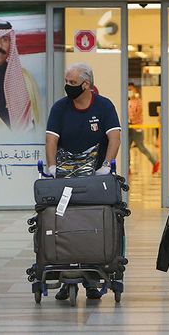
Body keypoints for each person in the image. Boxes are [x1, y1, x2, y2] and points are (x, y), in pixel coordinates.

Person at [45, 62, 121, 300]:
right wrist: (51, 168)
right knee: (65, 225)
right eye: (67, 82)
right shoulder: (60, 108)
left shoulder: (104, 106)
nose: (68, 87)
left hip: (93, 177)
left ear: (86, 85)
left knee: (91, 225)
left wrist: (106, 166)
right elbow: (51, 141)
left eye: (72, 83)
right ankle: (67, 280)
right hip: (65, 177)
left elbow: (114, 138)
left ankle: (90, 279)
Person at [128, 83, 159, 174]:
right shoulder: (128, 101)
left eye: (131, 90)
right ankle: (128, 167)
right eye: (128, 90)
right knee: (127, 148)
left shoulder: (139, 101)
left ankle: (155, 162)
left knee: (141, 147)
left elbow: (137, 114)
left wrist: (131, 120)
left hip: (137, 127)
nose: (130, 92)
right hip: (129, 127)